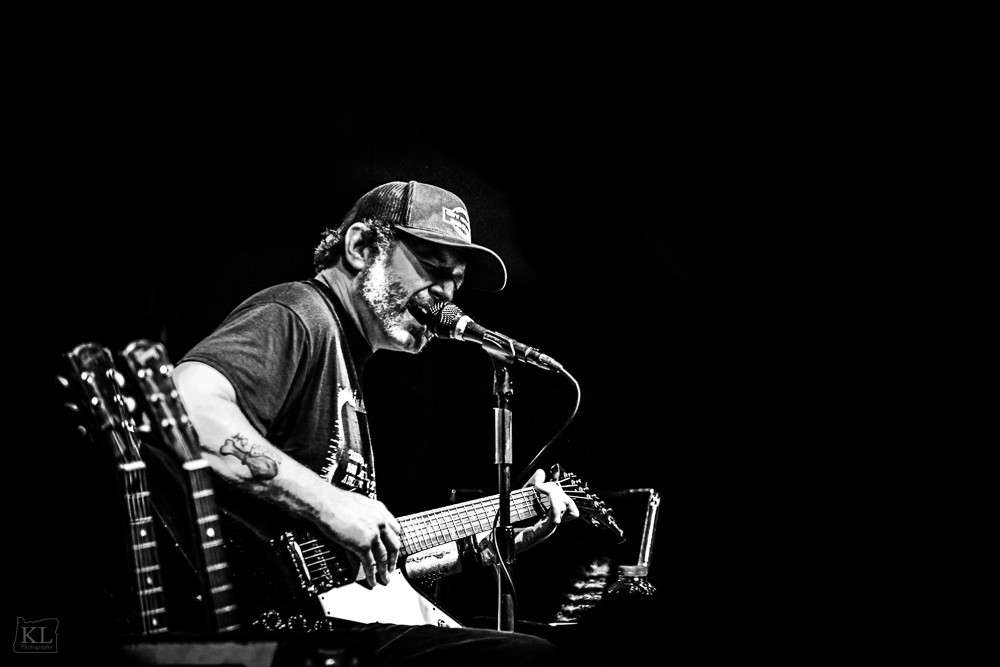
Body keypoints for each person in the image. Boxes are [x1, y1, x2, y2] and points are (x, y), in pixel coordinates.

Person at [172, 180, 579, 665]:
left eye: (457, 282)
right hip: (258, 625)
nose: (447, 299)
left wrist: (483, 547)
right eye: (432, 270)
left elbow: (346, 561)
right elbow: (185, 411)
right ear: (362, 247)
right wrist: (329, 504)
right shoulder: (298, 314)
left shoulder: (348, 358)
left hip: (307, 618)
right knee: (528, 659)